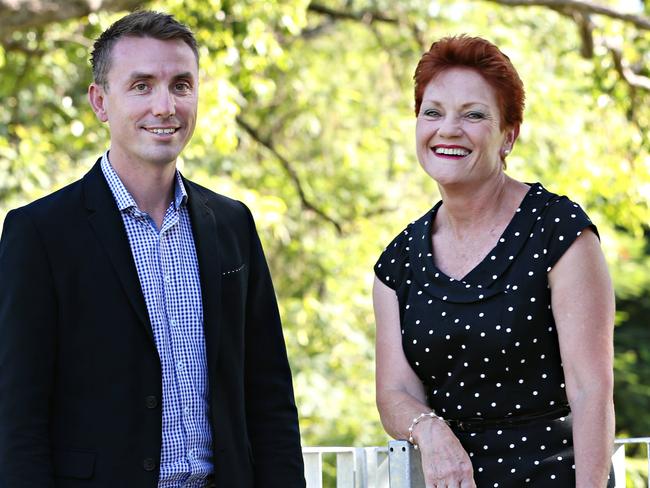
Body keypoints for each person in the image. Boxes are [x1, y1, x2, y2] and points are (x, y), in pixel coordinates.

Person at [0, 10, 305, 488]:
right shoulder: (39, 233)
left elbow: (270, 399)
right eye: (141, 85)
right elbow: (17, 417)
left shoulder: (232, 224)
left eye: (181, 85)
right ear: (100, 102)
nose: (165, 106)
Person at [373, 35, 615, 487]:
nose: (448, 129)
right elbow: (394, 393)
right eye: (433, 112)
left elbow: (590, 391)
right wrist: (429, 428)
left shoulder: (559, 232)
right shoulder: (398, 261)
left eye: (474, 114)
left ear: (508, 135)